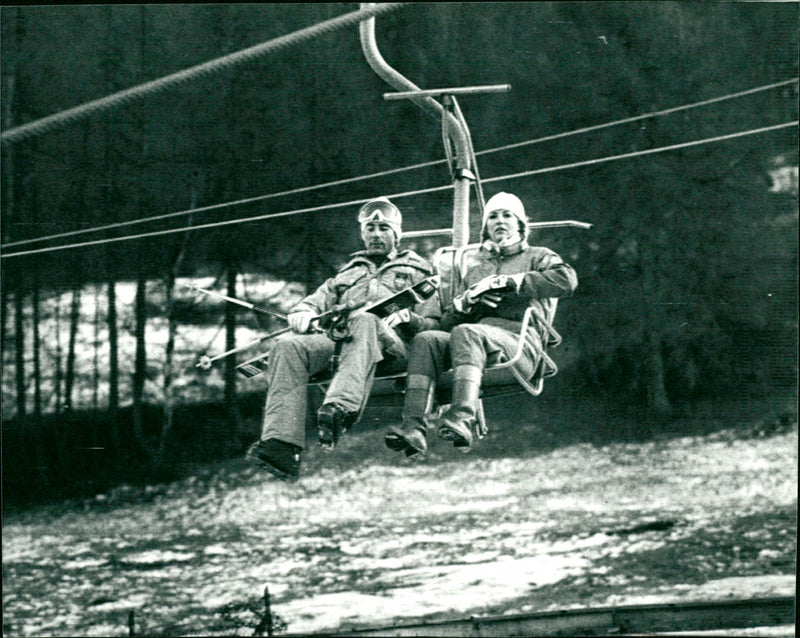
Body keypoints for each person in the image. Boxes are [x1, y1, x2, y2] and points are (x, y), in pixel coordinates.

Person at [246, 197, 440, 482]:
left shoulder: (417, 271)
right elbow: (316, 300)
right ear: (362, 233)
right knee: (287, 347)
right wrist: (304, 312)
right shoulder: (347, 273)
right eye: (370, 228)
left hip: (394, 347)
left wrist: (409, 319)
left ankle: (341, 409)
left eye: (384, 228)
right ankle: (281, 446)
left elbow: (434, 324)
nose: (376, 234)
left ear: (396, 234)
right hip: (345, 342)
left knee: (365, 319)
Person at [384, 191, 578, 457]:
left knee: (467, 332)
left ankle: (462, 417)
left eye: (507, 215)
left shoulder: (538, 256)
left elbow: (566, 280)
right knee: (427, 340)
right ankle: (413, 427)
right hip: (476, 340)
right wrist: (463, 305)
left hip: (520, 343)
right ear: (486, 227)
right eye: (493, 217)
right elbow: (448, 325)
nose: (500, 221)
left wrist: (514, 283)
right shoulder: (477, 271)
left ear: (520, 223)